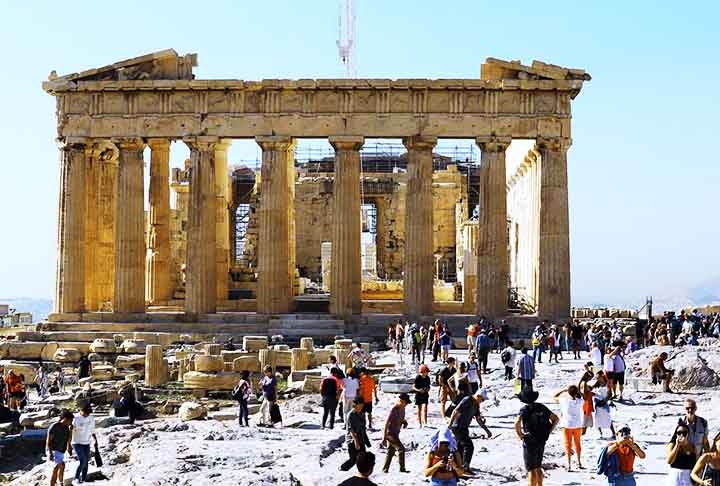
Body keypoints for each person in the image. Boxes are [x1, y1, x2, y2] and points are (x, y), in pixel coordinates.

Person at [515, 389, 559, 486]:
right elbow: (555, 418)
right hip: (541, 439)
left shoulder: (524, 409)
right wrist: (549, 431)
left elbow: (517, 422)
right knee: (538, 466)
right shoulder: (541, 406)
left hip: (530, 440)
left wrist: (520, 434)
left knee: (531, 469)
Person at [447, 385, 491, 473]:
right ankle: (465, 467)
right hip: (458, 427)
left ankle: (456, 466)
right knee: (468, 446)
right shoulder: (467, 400)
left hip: (464, 427)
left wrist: (487, 430)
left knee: (459, 447)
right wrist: (450, 424)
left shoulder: (476, 405)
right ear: (478, 396)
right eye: (482, 399)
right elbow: (456, 411)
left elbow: (478, 419)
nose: (482, 401)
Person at [552, 385, 585, 471]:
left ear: (568, 392)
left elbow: (554, 397)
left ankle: (569, 464)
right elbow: (584, 398)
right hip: (577, 424)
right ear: (576, 392)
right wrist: (579, 392)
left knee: (568, 444)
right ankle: (579, 462)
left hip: (567, 425)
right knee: (577, 444)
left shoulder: (564, 400)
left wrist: (563, 390)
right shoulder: (580, 401)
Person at [340, 396, 372, 472]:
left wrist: (367, 441)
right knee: (353, 459)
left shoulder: (362, 414)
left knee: (363, 458)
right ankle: (342, 469)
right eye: (360, 406)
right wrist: (356, 442)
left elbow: (363, 428)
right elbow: (351, 430)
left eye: (362, 406)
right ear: (355, 405)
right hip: (351, 439)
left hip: (361, 438)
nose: (361, 407)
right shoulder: (350, 414)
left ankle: (363, 473)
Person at [381, 393, 410, 473]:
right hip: (390, 434)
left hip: (396, 433)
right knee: (401, 449)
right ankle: (402, 469)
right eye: (406, 403)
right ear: (401, 401)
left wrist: (404, 422)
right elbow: (387, 423)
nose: (406, 404)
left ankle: (385, 469)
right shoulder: (394, 409)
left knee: (390, 452)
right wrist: (384, 437)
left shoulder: (403, 409)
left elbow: (401, 419)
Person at [72, 403, 98, 484]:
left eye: (88, 413)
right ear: (81, 410)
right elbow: (70, 430)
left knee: (86, 462)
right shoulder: (76, 418)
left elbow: (92, 429)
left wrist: (95, 440)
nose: (87, 415)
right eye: (85, 413)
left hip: (87, 443)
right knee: (82, 461)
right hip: (77, 443)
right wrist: (68, 444)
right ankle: (76, 478)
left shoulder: (91, 418)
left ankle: (83, 480)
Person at [46, 410, 73, 486]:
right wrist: (50, 453)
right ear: (65, 419)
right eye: (70, 420)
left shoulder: (67, 429)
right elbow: (49, 440)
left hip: (61, 451)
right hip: (53, 450)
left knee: (59, 468)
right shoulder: (55, 426)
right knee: (59, 466)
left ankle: (58, 483)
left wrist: (71, 431)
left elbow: (68, 441)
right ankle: (57, 484)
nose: (71, 422)